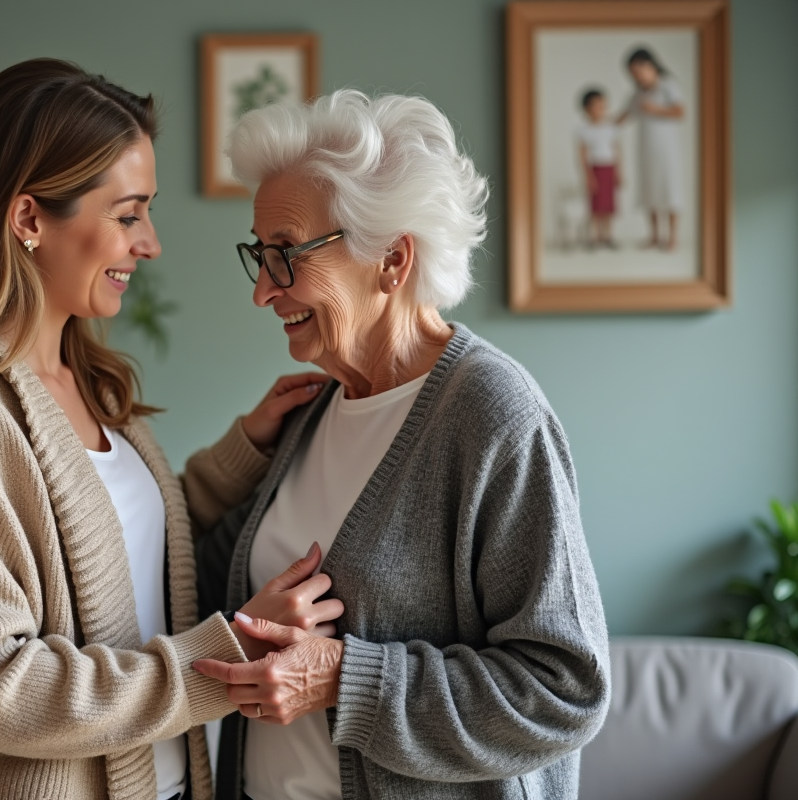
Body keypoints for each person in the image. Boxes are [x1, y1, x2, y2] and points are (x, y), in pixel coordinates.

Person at [0, 58, 342, 800]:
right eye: (128, 213)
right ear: (28, 220)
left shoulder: (87, 386)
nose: (150, 243)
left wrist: (248, 449)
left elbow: (119, 559)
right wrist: (224, 650)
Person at [191, 90, 611, 800]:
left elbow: (563, 689)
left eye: (287, 254)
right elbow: (193, 583)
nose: (263, 290)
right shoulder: (307, 414)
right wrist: (238, 458)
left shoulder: (491, 414)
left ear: (391, 259)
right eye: (259, 256)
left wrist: (343, 678)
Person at [616, 47, 685, 250]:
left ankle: (672, 237)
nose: (636, 77)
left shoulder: (668, 86)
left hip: (667, 148)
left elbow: (680, 112)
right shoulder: (637, 94)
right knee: (650, 189)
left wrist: (655, 109)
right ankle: (655, 235)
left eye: (638, 71)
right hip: (646, 147)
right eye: (632, 74)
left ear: (650, 65)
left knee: (670, 189)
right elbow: (622, 117)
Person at [577, 87, 621, 248]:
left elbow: (616, 150)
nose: (600, 110)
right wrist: (588, 176)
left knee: (609, 205)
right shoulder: (584, 130)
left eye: (603, 105)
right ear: (587, 108)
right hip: (595, 169)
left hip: (609, 168)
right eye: (596, 106)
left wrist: (618, 172)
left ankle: (608, 235)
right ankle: (594, 236)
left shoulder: (610, 128)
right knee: (595, 205)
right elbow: (582, 154)